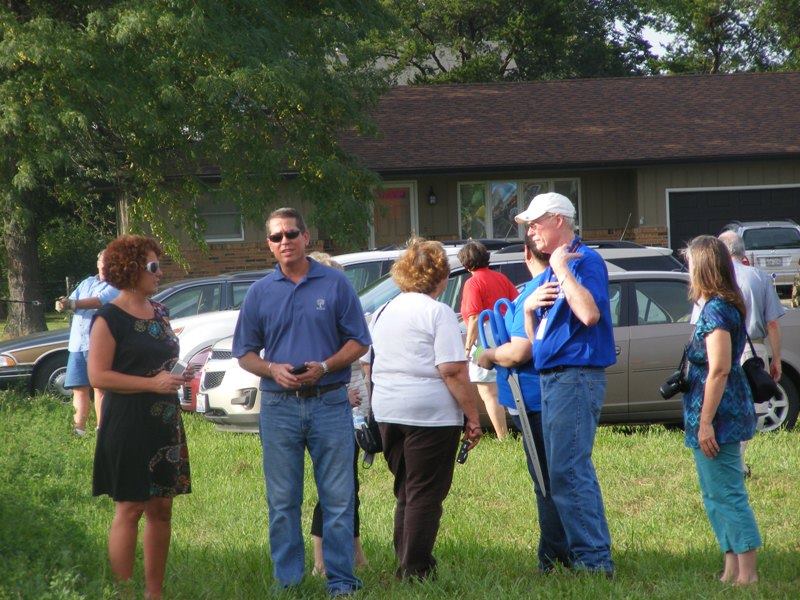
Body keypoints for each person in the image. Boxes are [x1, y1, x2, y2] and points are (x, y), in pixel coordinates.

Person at [232, 208, 370, 597]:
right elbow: (244, 353)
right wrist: (271, 369)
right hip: (279, 406)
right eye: (276, 237)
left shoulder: (336, 283)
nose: (284, 241)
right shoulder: (260, 292)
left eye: (291, 234)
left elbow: (360, 341)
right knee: (282, 501)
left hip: (329, 401)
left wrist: (325, 366)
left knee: (338, 498)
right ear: (268, 244)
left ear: (306, 237)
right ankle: (288, 582)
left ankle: (341, 582)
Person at [367, 237, 482, 580]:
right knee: (425, 494)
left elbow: (367, 365)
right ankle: (416, 569)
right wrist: (473, 416)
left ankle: (405, 560)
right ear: (441, 277)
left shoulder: (383, 311)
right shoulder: (438, 312)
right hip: (429, 415)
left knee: (406, 490)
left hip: (387, 410)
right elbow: (452, 370)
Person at [88, 235, 191, 600]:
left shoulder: (160, 311)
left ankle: (153, 593)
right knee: (130, 507)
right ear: (131, 269)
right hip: (127, 422)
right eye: (153, 266)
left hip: (164, 422)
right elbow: (98, 376)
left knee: (161, 508)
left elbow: (160, 361)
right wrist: (152, 383)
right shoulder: (108, 318)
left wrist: (176, 376)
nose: (160, 272)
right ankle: (124, 593)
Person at [519, 192, 616, 576]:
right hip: (552, 376)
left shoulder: (583, 260)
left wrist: (561, 270)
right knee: (559, 471)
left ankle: (594, 561)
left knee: (569, 470)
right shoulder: (552, 270)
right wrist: (529, 309)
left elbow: (589, 314)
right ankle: (569, 556)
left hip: (575, 375)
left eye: (535, 223)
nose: (530, 231)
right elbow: (539, 341)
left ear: (558, 220)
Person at [476, 234, 570, 571]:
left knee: (545, 481)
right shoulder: (560, 286)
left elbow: (519, 351)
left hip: (532, 399)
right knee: (560, 476)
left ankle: (554, 556)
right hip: (549, 395)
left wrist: (488, 355)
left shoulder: (534, 292)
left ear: (526, 252)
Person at [683, 235, 761, 585]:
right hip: (715, 412)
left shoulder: (716, 310)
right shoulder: (722, 305)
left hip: (720, 416)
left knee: (728, 492)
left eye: (690, 265)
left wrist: (705, 423)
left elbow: (719, 369)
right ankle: (731, 567)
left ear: (702, 268)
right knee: (714, 493)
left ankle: (748, 573)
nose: (688, 272)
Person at [305, 252, 368, 577]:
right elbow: (311, 367)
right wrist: (340, 394)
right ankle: (320, 560)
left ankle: (356, 553)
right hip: (332, 411)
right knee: (332, 487)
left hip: (354, 416)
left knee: (349, 487)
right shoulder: (317, 321)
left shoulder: (342, 314)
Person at [717, 231, 785, 473]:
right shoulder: (760, 277)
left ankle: (731, 460)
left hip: (721, 347)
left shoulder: (716, 278)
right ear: (741, 250)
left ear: (723, 251)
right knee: (753, 407)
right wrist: (776, 358)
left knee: (724, 405)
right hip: (753, 348)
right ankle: (738, 461)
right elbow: (772, 323)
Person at [458, 240, 518, 440]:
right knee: (509, 384)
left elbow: (475, 317)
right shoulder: (501, 277)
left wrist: (468, 347)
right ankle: (521, 428)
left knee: (488, 390)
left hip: (485, 336)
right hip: (506, 332)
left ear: (466, 263)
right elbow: (515, 302)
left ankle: (503, 437)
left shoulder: (472, 283)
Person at [56, 251, 119, 435]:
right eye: (103, 262)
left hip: (99, 345)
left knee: (100, 388)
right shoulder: (86, 283)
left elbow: (98, 301)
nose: (105, 266)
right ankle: (79, 430)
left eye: (110, 262)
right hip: (77, 343)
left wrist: (72, 304)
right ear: (97, 263)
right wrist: (63, 303)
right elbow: (72, 299)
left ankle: (103, 430)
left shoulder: (116, 285)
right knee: (79, 388)